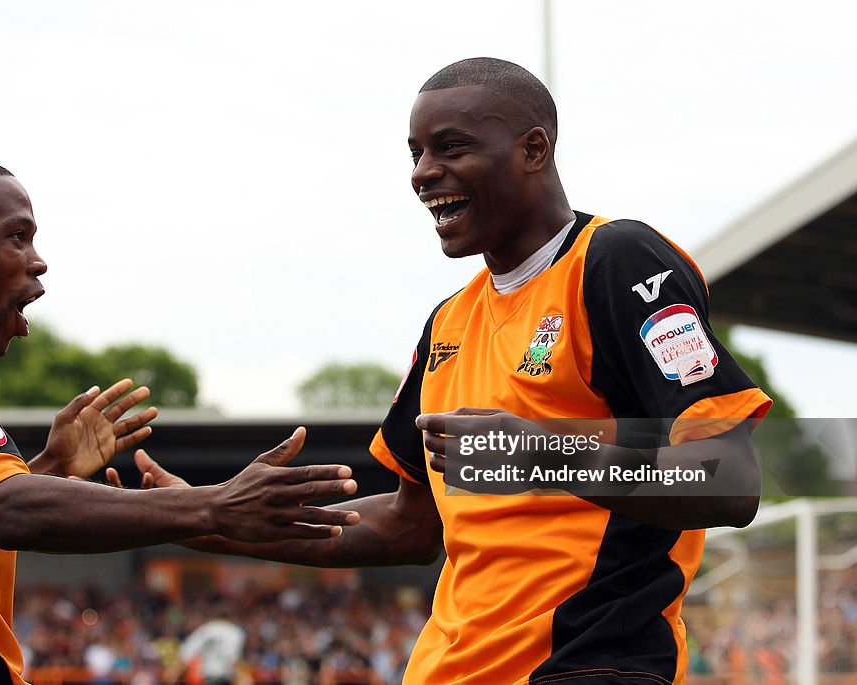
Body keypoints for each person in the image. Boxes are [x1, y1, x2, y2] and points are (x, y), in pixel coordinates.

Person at [127, 58, 773, 684]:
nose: (424, 173)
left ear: (534, 149)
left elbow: (729, 477)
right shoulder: (449, 322)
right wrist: (218, 518)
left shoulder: (615, 259)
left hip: (588, 662)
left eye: (451, 147)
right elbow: (410, 523)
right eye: (416, 153)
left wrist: (535, 454)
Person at [0, 151, 359, 685]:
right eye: (17, 237)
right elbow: (4, 512)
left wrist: (46, 470)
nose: (37, 261)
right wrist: (214, 506)